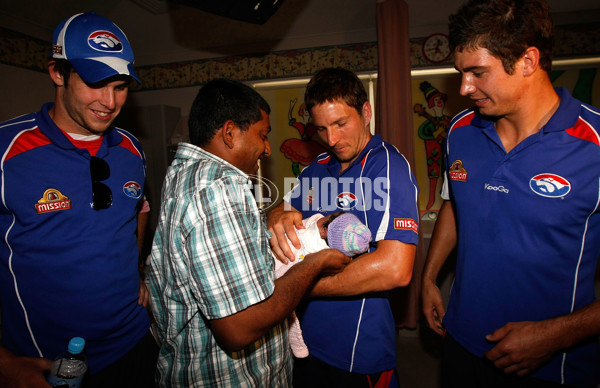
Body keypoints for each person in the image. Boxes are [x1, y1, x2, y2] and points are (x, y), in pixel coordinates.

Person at [421, 1, 600, 387]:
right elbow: (456, 204)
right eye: (461, 73)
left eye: (478, 72)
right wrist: (430, 276)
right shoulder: (460, 131)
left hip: (552, 364)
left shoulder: (595, 144)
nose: (465, 87)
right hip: (462, 345)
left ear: (528, 61)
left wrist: (556, 334)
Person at [147, 78, 351, 387]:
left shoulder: (186, 174)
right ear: (230, 133)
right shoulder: (218, 191)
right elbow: (239, 328)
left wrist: (271, 219)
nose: (267, 148)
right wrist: (317, 262)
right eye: (263, 135)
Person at [0, 12, 157, 388]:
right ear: (57, 73)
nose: (109, 101)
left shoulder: (132, 150)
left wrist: (134, 268)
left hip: (135, 345)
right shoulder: (7, 151)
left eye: (120, 86)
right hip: (49, 363)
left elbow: (137, 211)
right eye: (95, 83)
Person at [268, 67, 419, 388]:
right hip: (304, 343)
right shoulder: (317, 169)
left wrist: (295, 287)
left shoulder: (386, 166)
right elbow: (279, 212)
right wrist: (276, 216)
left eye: (340, 124)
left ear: (366, 112)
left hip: (356, 349)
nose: (332, 139)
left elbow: (396, 268)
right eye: (321, 129)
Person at [274, 211, 373, 358]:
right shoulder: (327, 264)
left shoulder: (303, 254)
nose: (322, 215)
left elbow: (281, 294)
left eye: (330, 216)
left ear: (323, 229)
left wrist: (299, 347)